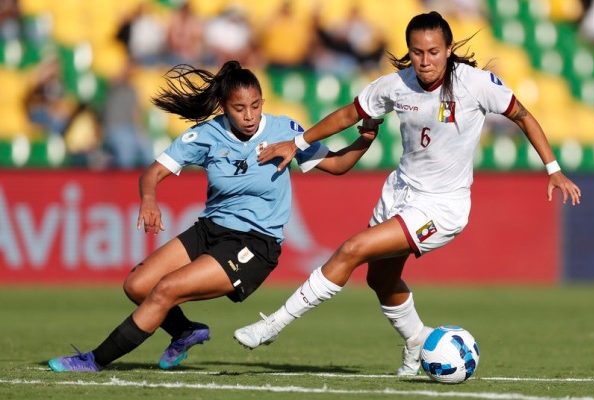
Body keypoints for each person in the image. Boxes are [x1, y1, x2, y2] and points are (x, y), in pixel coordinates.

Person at [233, 11, 583, 376]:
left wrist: (553, 169)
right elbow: (347, 115)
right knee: (379, 280)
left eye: (433, 52)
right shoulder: (395, 86)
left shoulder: (475, 84)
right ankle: (417, 341)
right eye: (417, 52)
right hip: (399, 192)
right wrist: (298, 142)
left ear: (448, 49)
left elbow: (523, 115)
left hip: (441, 207)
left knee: (353, 248)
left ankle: (272, 325)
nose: (425, 60)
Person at [47, 60, 381, 372]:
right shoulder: (206, 135)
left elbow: (337, 165)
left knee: (165, 290)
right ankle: (185, 331)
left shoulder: (285, 130)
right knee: (137, 285)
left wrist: (363, 141)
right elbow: (152, 173)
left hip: (255, 242)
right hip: (210, 229)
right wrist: (149, 199)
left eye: (256, 105)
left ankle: (94, 360)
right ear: (224, 107)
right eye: (239, 108)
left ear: (263, 102)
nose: (249, 115)